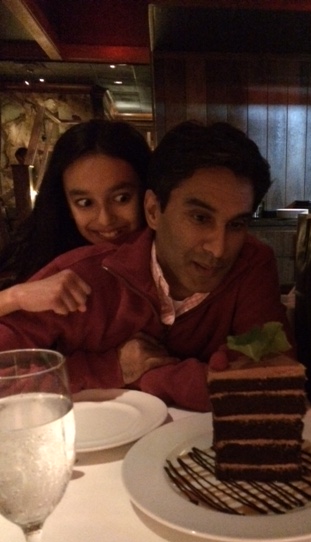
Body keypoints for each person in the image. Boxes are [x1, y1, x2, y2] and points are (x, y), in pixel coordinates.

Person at [0, 120, 292, 412]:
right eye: (200, 218)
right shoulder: (77, 277)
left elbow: (271, 376)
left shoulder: (251, 262)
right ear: (152, 210)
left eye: (237, 224)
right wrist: (109, 367)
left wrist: (152, 376)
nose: (219, 249)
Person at [0, 119, 151, 315]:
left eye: (122, 198)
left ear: (149, 196)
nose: (105, 219)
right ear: (66, 205)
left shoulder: (172, 264)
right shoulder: (44, 257)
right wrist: (16, 297)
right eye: (85, 203)